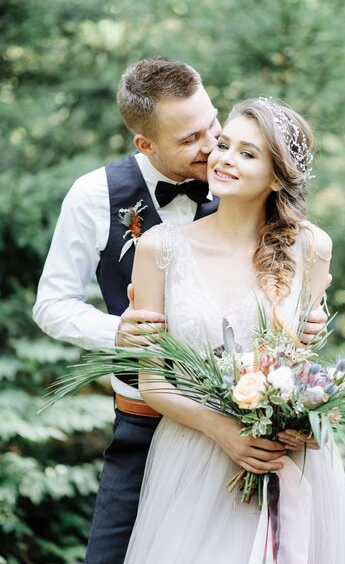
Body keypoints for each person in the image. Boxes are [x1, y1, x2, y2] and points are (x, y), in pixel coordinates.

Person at [33, 58, 328, 563]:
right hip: (147, 418)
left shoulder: (239, 177)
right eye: (191, 138)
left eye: (211, 123)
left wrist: (311, 320)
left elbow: (289, 275)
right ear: (145, 145)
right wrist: (122, 332)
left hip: (256, 427)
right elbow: (51, 304)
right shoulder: (95, 195)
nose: (213, 145)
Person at [124, 97, 345, 563]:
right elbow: (153, 381)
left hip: (285, 458)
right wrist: (226, 432)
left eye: (248, 153)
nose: (224, 159)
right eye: (224, 145)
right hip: (194, 456)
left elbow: (302, 364)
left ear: (278, 176)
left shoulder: (310, 248)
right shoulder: (159, 248)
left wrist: (305, 417)